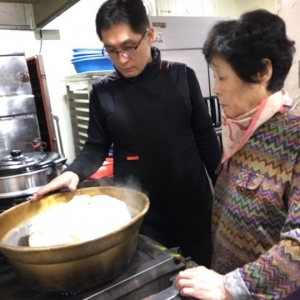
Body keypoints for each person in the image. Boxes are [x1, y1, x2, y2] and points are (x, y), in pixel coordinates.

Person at [30, 0, 222, 267]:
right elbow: (96, 147)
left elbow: (205, 138)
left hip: (194, 208)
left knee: (201, 278)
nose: (122, 58)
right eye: (111, 50)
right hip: (138, 216)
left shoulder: (180, 76)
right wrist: (72, 173)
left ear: (149, 35)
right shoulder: (103, 91)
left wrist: (225, 192)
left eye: (130, 46)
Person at [175, 9, 300, 300]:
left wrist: (230, 286)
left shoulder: (293, 139)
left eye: (221, 77)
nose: (215, 88)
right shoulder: (241, 131)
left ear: (262, 72)